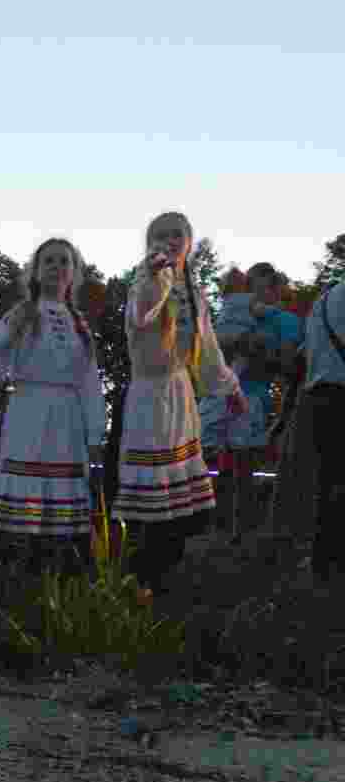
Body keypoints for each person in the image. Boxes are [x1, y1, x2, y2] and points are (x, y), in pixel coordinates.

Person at [112, 212, 247, 593]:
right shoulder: (145, 281)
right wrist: (157, 276)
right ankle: (138, 580)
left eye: (177, 235)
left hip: (179, 395)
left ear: (188, 242)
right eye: (161, 235)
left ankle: (165, 579)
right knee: (150, 498)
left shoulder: (196, 291)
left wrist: (231, 388)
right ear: (150, 243)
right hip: (149, 397)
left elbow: (207, 350)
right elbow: (142, 315)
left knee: (179, 500)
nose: (170, 241)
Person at [0, 238, 106, 573]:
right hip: (27, 415)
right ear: (35, 270)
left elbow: (89, 382)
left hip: (67, 423)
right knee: (24, 511)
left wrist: (94, 436)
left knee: (64, 519)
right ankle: (18, 578)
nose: (56, 267)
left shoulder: (79, 325)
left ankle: (61, 580)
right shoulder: (22, 313)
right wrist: (9, 332)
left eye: (64, 261)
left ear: (74, 273)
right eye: (49, 260)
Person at [198, 263, 303, 544]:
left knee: (243, 465)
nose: (252, 294)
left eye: (257, 287)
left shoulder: (285, 321)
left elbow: (289, 365)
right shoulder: (239, 311)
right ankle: (216, 527)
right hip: (222, 394)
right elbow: (213, 345)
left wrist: (256, 350)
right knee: (214, 459)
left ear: (272, 289)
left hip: (252, 397)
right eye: (249, 287)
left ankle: (239, 531)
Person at [300, 277, 345, 582]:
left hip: (320, 397)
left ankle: (322, 559)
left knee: (329, 479)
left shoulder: (323, 301)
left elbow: (306, 352)